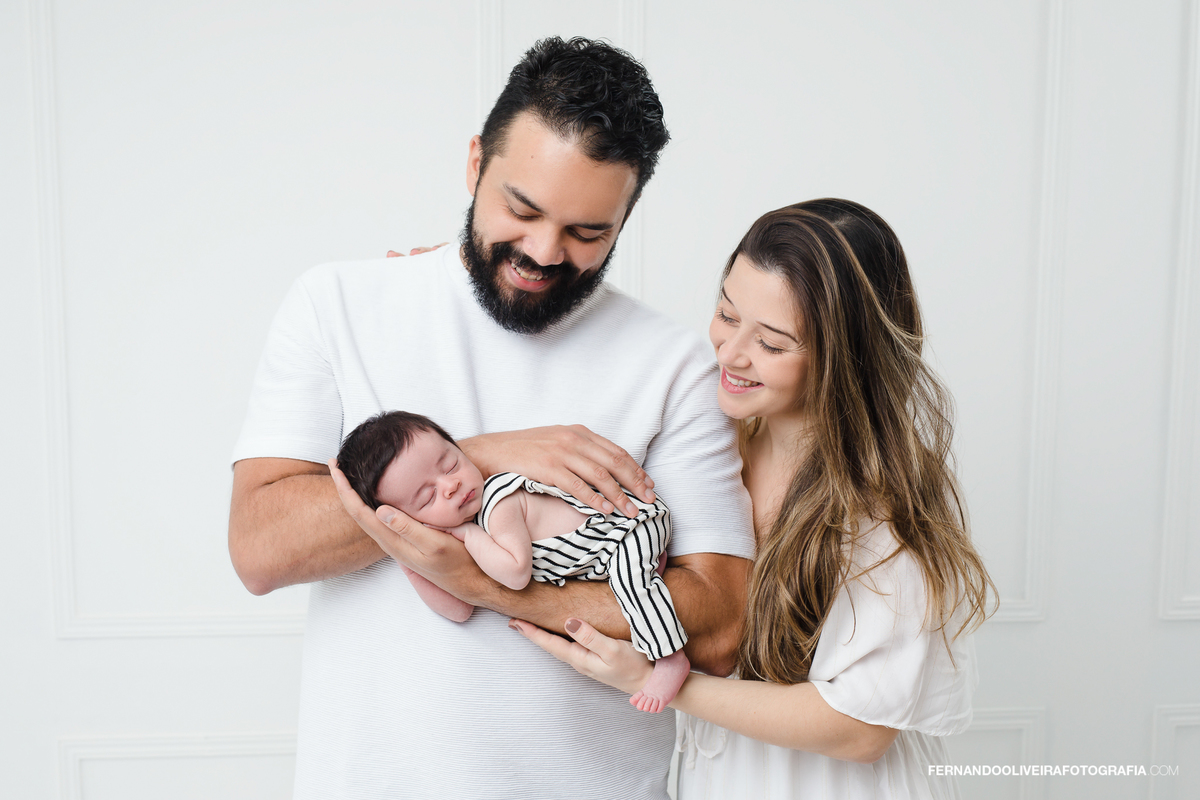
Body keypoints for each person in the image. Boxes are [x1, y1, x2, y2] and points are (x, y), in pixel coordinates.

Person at [228, 36, 754, 799]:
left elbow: (716, 623)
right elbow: (260, 546)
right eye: (522, 208)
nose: (543, 251)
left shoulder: (673, 364)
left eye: (587, 232)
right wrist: (484, 456)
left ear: (626, 216)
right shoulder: (338, 305)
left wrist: (493, 588)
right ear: (475, 164)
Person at [513, 199, 997, 799]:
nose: (730, 353)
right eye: (725, 312)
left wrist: (657, 681)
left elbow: (859, 728)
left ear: (844, 357)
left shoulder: (880, 504)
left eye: (771, 343)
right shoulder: (712, 448)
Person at [335, 409, 690, 712]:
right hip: (603, 555)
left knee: (631, 584)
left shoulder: (497, 500)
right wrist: (406, 553)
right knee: (624, 584)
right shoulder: (462, 528)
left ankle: (671, 656)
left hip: (628, 529)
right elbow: (458, 608)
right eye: (428, 497)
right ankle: (649, 572)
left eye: (451, 463)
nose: (451, 485)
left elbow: (517, 574)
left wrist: (471, 536)